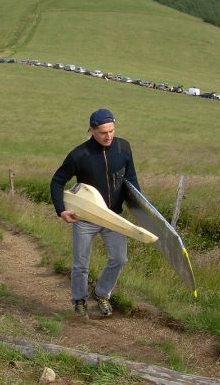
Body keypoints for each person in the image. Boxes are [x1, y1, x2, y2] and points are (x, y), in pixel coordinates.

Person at [50, 109, 140, 318]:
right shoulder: (79, 154)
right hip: (85, 218)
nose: (108, 136)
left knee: (119, 258)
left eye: (111, 131)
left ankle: (101, 293)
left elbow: (131, 179)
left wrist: (138, 208)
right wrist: (61, 210)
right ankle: (79, 300)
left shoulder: (123, 147)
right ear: (91, 130)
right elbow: (57, 181)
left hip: (113, 217)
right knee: (81, 263)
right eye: (103, 132)